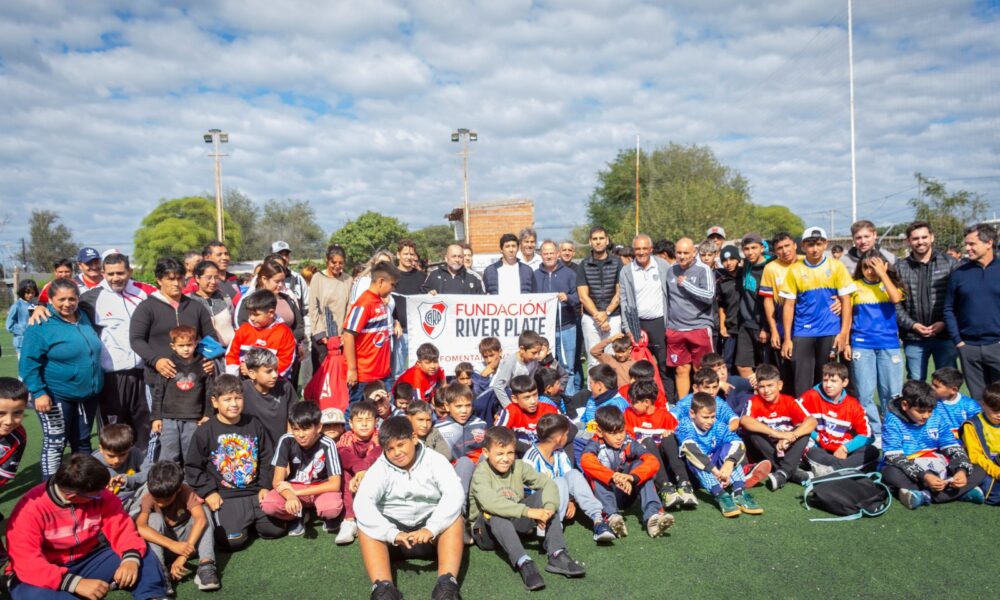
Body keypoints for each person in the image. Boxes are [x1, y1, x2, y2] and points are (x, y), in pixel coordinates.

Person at [4, 453, 168, 599]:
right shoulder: (29, 510)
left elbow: (122, 527)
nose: (103, 495)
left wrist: (130, 560)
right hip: (44, 568)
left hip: (89, 558)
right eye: (96, 496)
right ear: (71, 496)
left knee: (141, 555)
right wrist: (76, 583)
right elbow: (27, 562)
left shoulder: (100, 494)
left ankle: (153, 596)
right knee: (32, 594)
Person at [355, 416, 465, 600]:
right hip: (394, 539)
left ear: (414, 438)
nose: (396, 452)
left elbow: (454, 494)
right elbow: (362, 503)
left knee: (455, 519)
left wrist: (432, 528)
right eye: (390, 449)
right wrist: (392, 533)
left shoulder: (435, 460)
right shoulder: (379, 468)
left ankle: (447, 585)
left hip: (431, 535)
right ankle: (383, 588)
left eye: (400, 445)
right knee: (365, 525)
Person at [470, 426, 585, 592]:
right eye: (500, 454)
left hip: (514, 525)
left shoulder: (519, 466)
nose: (505, 459)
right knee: (495, 513)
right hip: (486, 533)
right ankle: (524, 562)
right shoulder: (481, 472)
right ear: (486, 453)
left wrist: (548, 510)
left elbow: (548, 483)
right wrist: (529, 512)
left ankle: (557, 554)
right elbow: (490, 503)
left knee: (544, 496)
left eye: (510, 453)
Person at [185, 375, 286, 551]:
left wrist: (264, 486)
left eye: (238, 398)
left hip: (255, 492)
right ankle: (241, 523)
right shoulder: (205, 431)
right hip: (227, 496)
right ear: (215, 402)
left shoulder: (254, 423)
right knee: (232, 542)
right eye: (227, 399)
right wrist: (209, 492)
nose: (234, 404)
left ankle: (253, 521)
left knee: (276, 530)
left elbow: (267, 457)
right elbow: (193, 467)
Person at [19, 278, 103, 479]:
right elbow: (28, 364)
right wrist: (38, 392)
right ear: (50, 300)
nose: (67, 304)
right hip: (55, 396)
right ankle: (49, 487)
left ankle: (82, 483)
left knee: (82, 442)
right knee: (55, 442)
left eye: (72, 299)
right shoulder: (41, 324)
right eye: (61, 299)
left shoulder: (84, 315)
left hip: (87, 396)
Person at [130, 257, 217, 451]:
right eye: (170, 278)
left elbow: (210, 336)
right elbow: (136, 339)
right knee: (160, 432)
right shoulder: (147, 307)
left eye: (180, 278)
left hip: (194, 382)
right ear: (159, 280)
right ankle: (156, 468)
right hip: (160, 380)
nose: (176, 283)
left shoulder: (195, 306)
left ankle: (192, 468)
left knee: (192, 433)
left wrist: (206, 359)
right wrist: (156, 360)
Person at [881, 380, 985, 508]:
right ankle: (957, 493)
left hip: (939, 465)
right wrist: (925, 476)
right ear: (905, 405)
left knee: (980, 468)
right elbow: (894, 456)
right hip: (912, 469)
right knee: (890, 473)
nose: (926, 416)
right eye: (920, 411)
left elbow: (951, 445)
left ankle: (925, 495)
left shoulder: (936, 415)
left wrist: (961, 471)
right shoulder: (892, 420)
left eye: (929, 411)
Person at [779, 226, 856, 397]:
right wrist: (787, 339)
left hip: (829, 331)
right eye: (810, 245)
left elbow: (846, 301)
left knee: (827, 379)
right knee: (802, 381)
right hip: (803, 331)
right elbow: (788, 306)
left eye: (819, 244)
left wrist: (844, 333)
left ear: (825, 244)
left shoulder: (836, 266)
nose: (815, 249)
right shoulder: (794, 270)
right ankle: (804, 412)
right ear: (803, 246)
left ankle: (825, 412)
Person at [580, 405, 673, 538]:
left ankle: (654, 516)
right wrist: (613, 477)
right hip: (605, 496)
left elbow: (652, 460)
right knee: (594, 473)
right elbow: (585, 461)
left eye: (621, 431)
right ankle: (611, 517)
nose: (619, 437)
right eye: (613, 433)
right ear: (600, 432)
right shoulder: (594, 444)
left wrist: (632, 477)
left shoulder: (628, 442)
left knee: (641, 464)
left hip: (626, 491)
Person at [136, 461, 220, 592]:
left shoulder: (185, 491)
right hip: (166, 546)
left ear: (179, 488)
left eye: (166, 500)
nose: (161, 504)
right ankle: (160, 572)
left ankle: (206, 566)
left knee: (204, 511)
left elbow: (200, 519)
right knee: (153, 519)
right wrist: (172, 545)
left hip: (190, 543)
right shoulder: (149, 496)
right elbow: (141, 527)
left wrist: (183, 556)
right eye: (157, 499)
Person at [261, 401, 343, 535]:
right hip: (295, 486)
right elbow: (277, 481)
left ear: (318, 427)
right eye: (296, 429)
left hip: (320, 489)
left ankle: (319, 513)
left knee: (331, 509)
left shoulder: (328, 443)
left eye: (306, 429)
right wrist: (290, 496)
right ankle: (299, 515)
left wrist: (297, 494)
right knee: (269, 505)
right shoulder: (286, 440)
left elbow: (335, 484)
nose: (300, 435)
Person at [678, 392, 763, 517]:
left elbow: (738, 443)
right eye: (705, 417)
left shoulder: (717, 425)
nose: (710, 421)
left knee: (729, 447)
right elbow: (691, 449)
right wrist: (715, 471)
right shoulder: (684, 425)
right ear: (692, 413)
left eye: (713, 417)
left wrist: (729, 463)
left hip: (720, 472)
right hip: (696, 474)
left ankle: (739, 492)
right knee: (692, 454)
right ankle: (721, 495)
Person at [848, 249, 905, 437]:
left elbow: (895, 298)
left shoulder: (890, 285)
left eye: (874, 267)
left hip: (889, 345)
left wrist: (883, 274)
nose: (870, 271)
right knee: (864, 393)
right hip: (862, 345)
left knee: (892, 393)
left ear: (884, 266)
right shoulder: (854, 286)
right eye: (866, 267)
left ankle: (891, 429)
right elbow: (847, 314)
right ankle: (876, 432)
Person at [895, 221, 959, 381]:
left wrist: (944, 322)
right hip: (914, 337)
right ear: (908, 241)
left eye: (924, 237)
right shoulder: (900, 267)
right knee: (916, 382)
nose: (920, 241)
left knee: (947, 382)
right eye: (915, 238)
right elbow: (895, 304)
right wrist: (912, 325)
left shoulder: (950, 264)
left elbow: (958, 299)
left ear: (932, 237)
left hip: (945, 335)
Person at [944, 223, 1000, 401]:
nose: (967, 248)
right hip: (969, 348)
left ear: (989, 243)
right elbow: (949, 308)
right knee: (979, 400)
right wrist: (959, 342)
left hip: (997, 345)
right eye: (966, 244)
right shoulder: (959, 274)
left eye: (972, 244)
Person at [739, 364, 817, 490]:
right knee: (754, 432)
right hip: (764, 452)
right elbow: (745, 420)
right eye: (762, 386)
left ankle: (782, 473)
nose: (766, 391)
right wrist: (778, 434)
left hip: (786, 449)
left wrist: (791, 436)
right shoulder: (753, 401)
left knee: (804, 433)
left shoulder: (789, 401)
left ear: (779, 385)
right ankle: (791, 472)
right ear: (757, 387)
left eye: (770, 385)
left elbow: (812, 421)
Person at [623, 380, 698, 508]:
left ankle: (684, 484)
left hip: (665, 457)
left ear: (646, 402)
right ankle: (665, 488)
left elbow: (681, 436)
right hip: (645, 458)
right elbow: (627, 437)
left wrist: (671, 433)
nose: (631, 405)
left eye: (634, 402)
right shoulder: (629, 414)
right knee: (648, 441)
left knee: (669, 438)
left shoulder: (664, 416)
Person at [797, 362, 880, 474]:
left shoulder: (853, 405)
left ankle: (832, 470)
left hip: (843, 451)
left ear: (845, 382)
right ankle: (846, 469)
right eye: (825, 380)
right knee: (810, 449)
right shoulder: (811, 396)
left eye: (833, 381)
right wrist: (817, 437)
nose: (828, 385)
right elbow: (795, 419)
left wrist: (846, 448)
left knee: (872, 451)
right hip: (820, 449)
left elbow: (867, 435)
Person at [664, 237, 717, 397]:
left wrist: (687, 285)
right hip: (675, 328)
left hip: (698, 327)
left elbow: (709, 296)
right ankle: (683, 405)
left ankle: (705, 403)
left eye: (686, 253)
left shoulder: (703, 269)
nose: (682, 256)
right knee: (681, 369)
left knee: (702, 370)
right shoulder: (670, 270)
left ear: (694, 253)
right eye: (679, 252)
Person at [151, 325, 211, 464]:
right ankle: (170, 478)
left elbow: (209, 391)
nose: (185, 349)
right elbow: (158, 392)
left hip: (193, 419)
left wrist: (208, 414)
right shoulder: (168, 365)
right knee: (169, 456)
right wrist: (156, 417)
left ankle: (190, 478)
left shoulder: (204, 365)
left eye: (189, 345)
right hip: (169, 419)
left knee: (191, 456)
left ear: (196, 343)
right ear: (173, 346)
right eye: (181, 345)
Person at [619, 234, 672, 387]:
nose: (641, 252)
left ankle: (669, 399)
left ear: (651, 249)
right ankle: (641, 396)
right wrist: (628, 328)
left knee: (664, 365)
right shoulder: (626, 271)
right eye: (637, 249)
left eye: (644, 248)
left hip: (660, 323)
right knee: (639, 368)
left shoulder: (663, 266)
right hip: (638, 325)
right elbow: (624, 301)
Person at [344, 261, 399, 404]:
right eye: (392, 284)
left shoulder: (379, 301)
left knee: (387, 409)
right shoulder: (364, 304)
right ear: (381, 281)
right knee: (358, 411)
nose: (393, 289)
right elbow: (348, 335)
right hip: (364, 376)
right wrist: (352, 369)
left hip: (383, 373)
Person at [534, 240, 580, 394]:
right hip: (545, 330)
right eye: (545, 253)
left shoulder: (569, 274)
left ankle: (569, 398)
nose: (548, 256)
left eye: (551, 253)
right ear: (541, 255)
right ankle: (548, 397)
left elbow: (579, 297)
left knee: (568, 367)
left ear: (557, 254)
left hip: (567, 327)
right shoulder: (535, 275)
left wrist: (568, 297)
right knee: (545, 366)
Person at [335, 400, 383, 546]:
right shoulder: (346, 437)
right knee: (345, 472)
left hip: (374, 474)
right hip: (353, 478)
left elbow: (376, 453)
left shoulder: (380, 436)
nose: (364, 424)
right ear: (350, 423)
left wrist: (363, 471)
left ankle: (379, 516)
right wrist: (359, 470)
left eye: (368, 420)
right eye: (359, 420)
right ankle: (349, 520)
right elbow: (343, 454)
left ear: (376, 422)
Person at [759, 232, 801, 392]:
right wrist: (774, 330)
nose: (784, 251)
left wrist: (837, 300)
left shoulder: (806, 262)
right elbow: (768, 301)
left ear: (795, 245)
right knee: (785, 370)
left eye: (787, 246)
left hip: (807, 323)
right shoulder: (771, 268)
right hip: (782, 324)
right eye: (780, 248)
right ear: (775, 251)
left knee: (805, 369)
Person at [226, 290, 298, 380]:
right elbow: (231, 355)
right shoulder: (244, 330)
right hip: (243, 380)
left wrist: (257, 373)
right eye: (250, 314)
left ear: (271, 313)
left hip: (273, 382)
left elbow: (286, 361)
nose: (252, 318)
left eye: (256, 315)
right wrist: (233, 379)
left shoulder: (284, 333)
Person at [577, 226, 622, 368]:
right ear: (590, 242)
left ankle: (613, 385)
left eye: (601, 238)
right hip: (591, 318)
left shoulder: (617, 262)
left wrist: (607, 313)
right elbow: (583, 296)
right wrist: (599, 317)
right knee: (593, 360)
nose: (598, 242)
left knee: (612, 359)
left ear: (607, 240)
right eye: (595, 239)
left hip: (613, 317)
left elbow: (620, 292)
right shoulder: (583, 264)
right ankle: (593, 385)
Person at [434, 382, 487, 494]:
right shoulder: (438, 428)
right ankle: (460, 503)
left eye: (468, 405)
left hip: (478, 472)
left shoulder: (480, 424)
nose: (464, 411)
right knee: (464, 462)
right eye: (458, 406)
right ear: (447, 406)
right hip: (452, 474)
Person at [240, 347, 298, 446]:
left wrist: (287, 446)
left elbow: (294, 418)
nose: (275, 375)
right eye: (268, 371)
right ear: (252, 374)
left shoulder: (285, 388)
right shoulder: (242, 391)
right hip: (253, 448)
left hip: (282, 447)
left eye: (276, 369)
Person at [308, 244, 353, 367]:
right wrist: (320, 334)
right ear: (327, 260)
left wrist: (345, 333)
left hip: (342, 337)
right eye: (334, 262)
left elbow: (350, 307)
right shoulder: (317, 278)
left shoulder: (348, 280)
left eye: (341, 263)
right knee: (322, 372)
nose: (337, 266)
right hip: (322, 337)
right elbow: (313, 307)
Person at [0, 378, 28, 568]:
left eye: (17, 413)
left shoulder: (18, 437)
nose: (9, 421)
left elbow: (4, 474)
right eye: (1, 413)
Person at [93, 423, 149, 514]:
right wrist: (104, 491)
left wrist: (128, 479)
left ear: (130, 448)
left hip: (135, 498)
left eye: (122, 455)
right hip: (108, 505)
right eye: (111, 456)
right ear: (101, 449)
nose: (117, 460)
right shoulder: (94, 463)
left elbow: (150, 471)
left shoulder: (135, 453)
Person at [959, 382, 1000, 505]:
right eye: (995, 411)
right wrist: (997, 472)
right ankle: (970, 491)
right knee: (996, 495)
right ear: (983, 404)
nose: (999, 415)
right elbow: (976, 457)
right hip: (984, 466)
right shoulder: (972, 425)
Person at [495, 375, 559, 449]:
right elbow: (497, 435)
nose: (533, 401)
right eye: (527, 397)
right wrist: (530, 450)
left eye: (535, 395)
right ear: (515, 399)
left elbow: (568, 430)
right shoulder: (510, 411)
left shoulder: (549, 409)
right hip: (521, 452)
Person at [186, 260, 236, 347]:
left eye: (216, 277)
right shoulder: (189, 301)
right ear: (197, 278)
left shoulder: (225, 297)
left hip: (230, 349)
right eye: (208, 277)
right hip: (204, 351)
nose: (213, 282)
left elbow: (232, 320)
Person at [491, 330, 544, 409]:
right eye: (533, 353)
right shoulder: (510, 362)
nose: (537, 356)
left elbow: (530, 382)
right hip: (505, 398)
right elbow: (498, 386)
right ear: (522, 349)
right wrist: (509, 407)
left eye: (538, 352)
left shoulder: (534, 361)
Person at [183, 241, 241, 307]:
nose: (224, 257)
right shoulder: (195, 282)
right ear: (207, 258)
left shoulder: (233, 278)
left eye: (226, 254)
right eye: (219, 255)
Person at [930, 367, 981, 436]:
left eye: (936, 386)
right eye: (932, 384)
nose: (931, 387)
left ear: (953, 390)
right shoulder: (931, 402)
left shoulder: (970, 405)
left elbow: (978, 427)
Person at [716, 244, 741, 369]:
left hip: (747, 327)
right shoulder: (722, 281)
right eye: (725, 260)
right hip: (731, 328)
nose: (728, 263)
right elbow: (722, 306)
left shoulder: (747, 275)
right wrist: (722, 326)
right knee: (728, 362)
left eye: (732, 259)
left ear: (738, 259)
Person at [270, 241, 309, 310]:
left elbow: (307, 306)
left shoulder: (297, 279)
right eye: (280, 255)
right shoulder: (261, 278)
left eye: (286, 255)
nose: (284, 258)